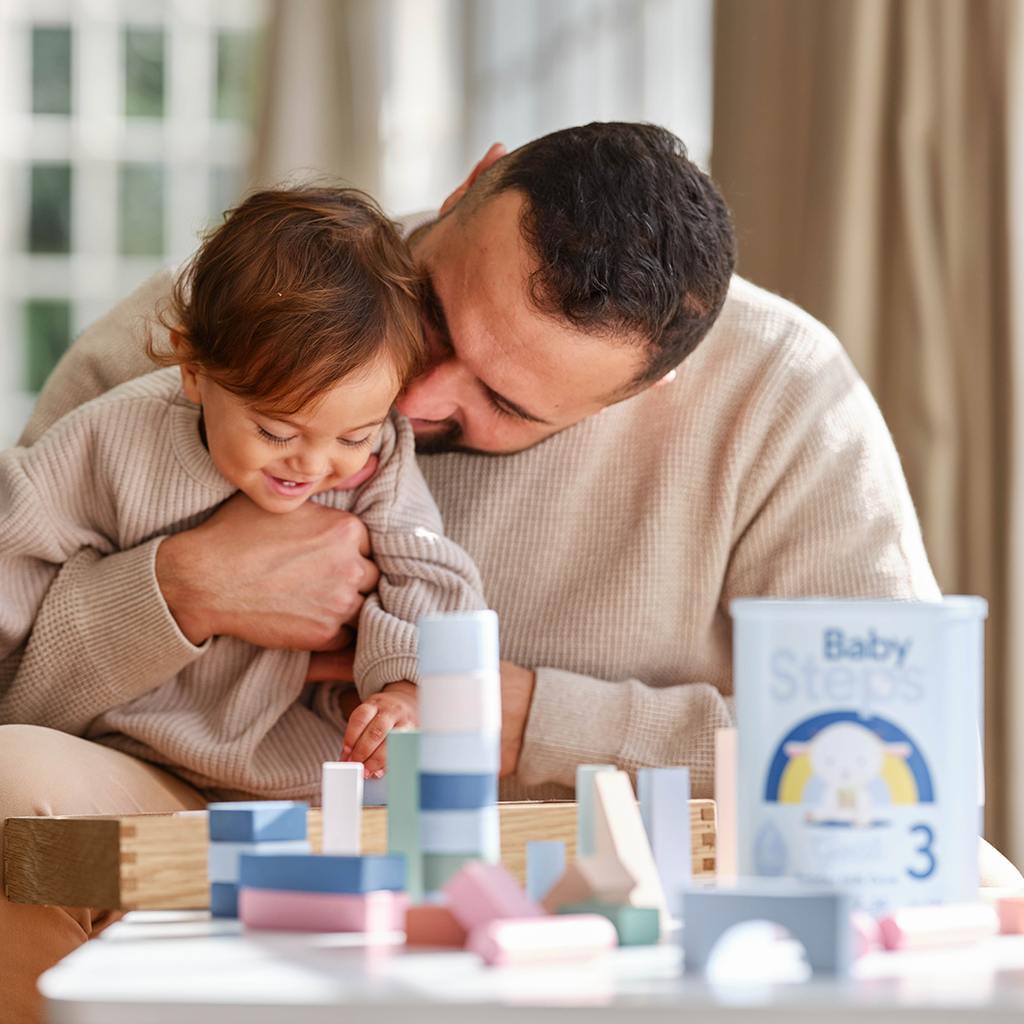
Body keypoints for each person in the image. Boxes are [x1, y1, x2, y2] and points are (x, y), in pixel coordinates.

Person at [1, 122, 1019, 1024]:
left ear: (648, 390)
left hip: (581, 847)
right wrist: (179, 590)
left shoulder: (782, 395)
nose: (416, 395)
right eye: (436, 316)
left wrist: (527, 720)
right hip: (217, 799)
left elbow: (905, 763)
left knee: (968, 878)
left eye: (507, 401)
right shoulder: (240, 315)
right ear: (467, 186)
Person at [0, 185, 487, 795]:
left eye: (352, 436)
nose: (313, 464)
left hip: (302, 774)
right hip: (130, 750)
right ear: (195, 372)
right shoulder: (110, 439)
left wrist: (408, 690)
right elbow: (14, 542)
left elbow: (427, 572)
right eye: (275, 430)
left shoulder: (383, 457)